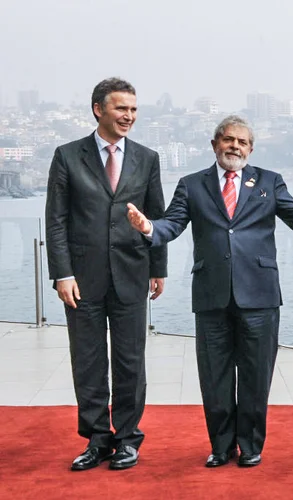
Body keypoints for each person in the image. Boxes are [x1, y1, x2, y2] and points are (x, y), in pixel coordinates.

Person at [126, 115, 293, 468]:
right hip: (211, 294)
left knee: (256, 375)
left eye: (242, 142)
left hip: (259, 295)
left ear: (251, 149)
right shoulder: (191, 184)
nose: (235, 147)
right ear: (215, 144)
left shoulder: (269, 182)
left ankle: (250, 444)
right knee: (214, 377)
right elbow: (172, 224)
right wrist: (149, 227)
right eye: (229, 140)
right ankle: (221, 446)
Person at [45, 77, 167, 471]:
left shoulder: (147, 158)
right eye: (121, 108)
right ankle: (97, 440)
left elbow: (157, 218)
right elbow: (56, 222)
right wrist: (62, 273)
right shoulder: (67, 156)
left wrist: (159, 269)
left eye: (133, 109)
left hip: (133, 273)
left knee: (131, 361)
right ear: (99, 109)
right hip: (82, 279)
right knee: (88, 361)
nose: (129, 116)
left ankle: (129, 440)